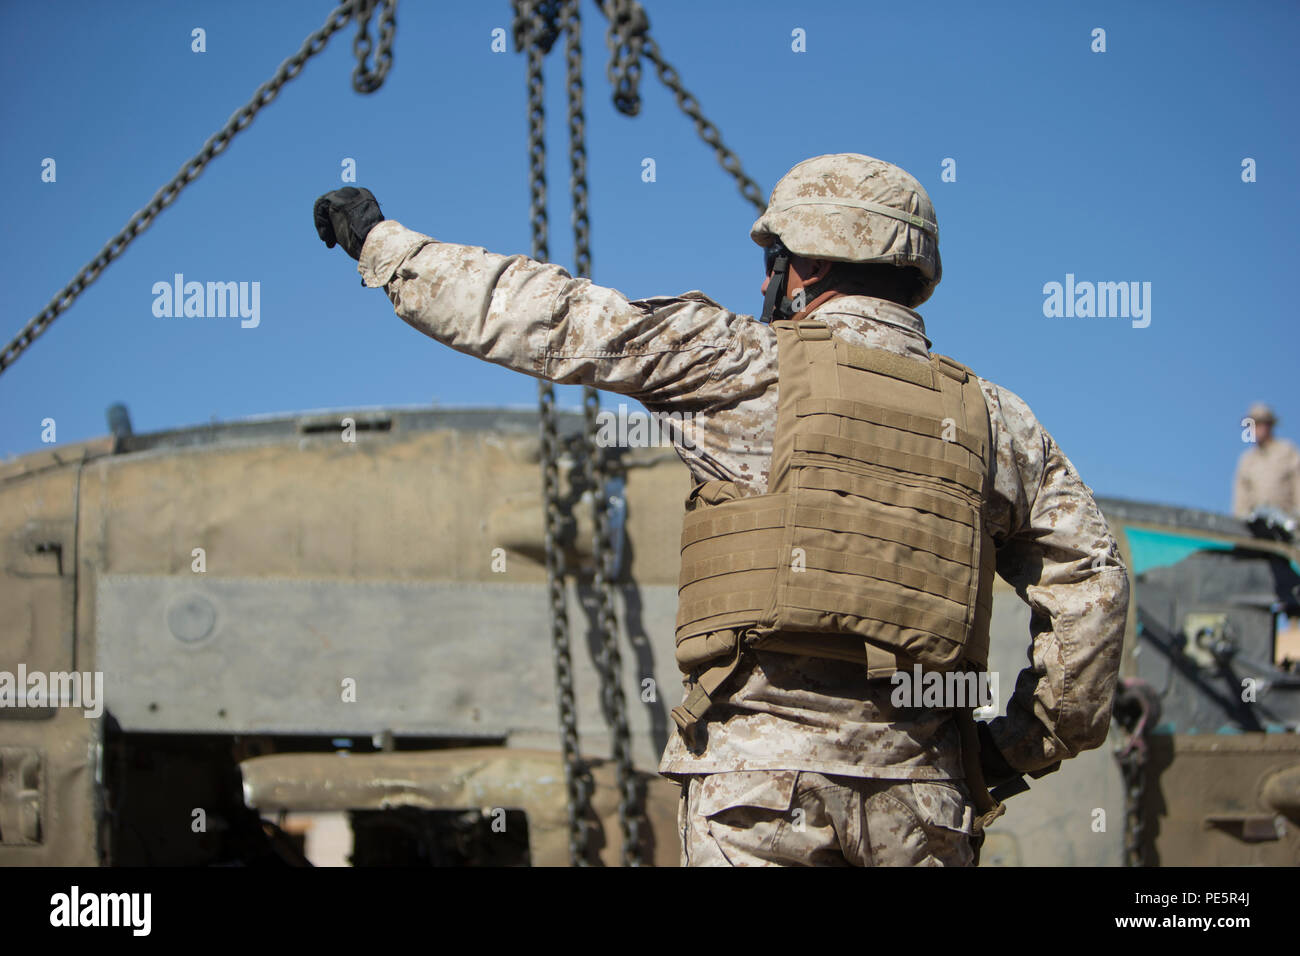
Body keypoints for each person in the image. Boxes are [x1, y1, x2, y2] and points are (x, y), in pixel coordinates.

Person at [313, 153, 1130, 867]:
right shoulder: (997, 422)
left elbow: (549, 315)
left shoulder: (738, 361)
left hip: (756, 795)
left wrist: (387, 248)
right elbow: (1094, 586)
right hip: (923, 800)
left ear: (805, 264)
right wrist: (1020, 745)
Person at [1233, 403, 1300, 519]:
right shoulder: (1247, 460)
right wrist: (1240, 519)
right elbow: (1241, 499)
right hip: (1256, 522)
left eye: (1260, 424)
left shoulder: (1287, 451)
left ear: (1269, 425)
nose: (1256, 429)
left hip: (1287, 520)